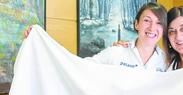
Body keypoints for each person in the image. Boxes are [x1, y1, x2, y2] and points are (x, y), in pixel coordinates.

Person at [24, 2, 168, 72]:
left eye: (159, 23)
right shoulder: (116, 52)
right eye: (147, 20)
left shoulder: (167, 62)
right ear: (136, 24)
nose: (152, 28)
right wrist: (40, 44)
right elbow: (77, 67)